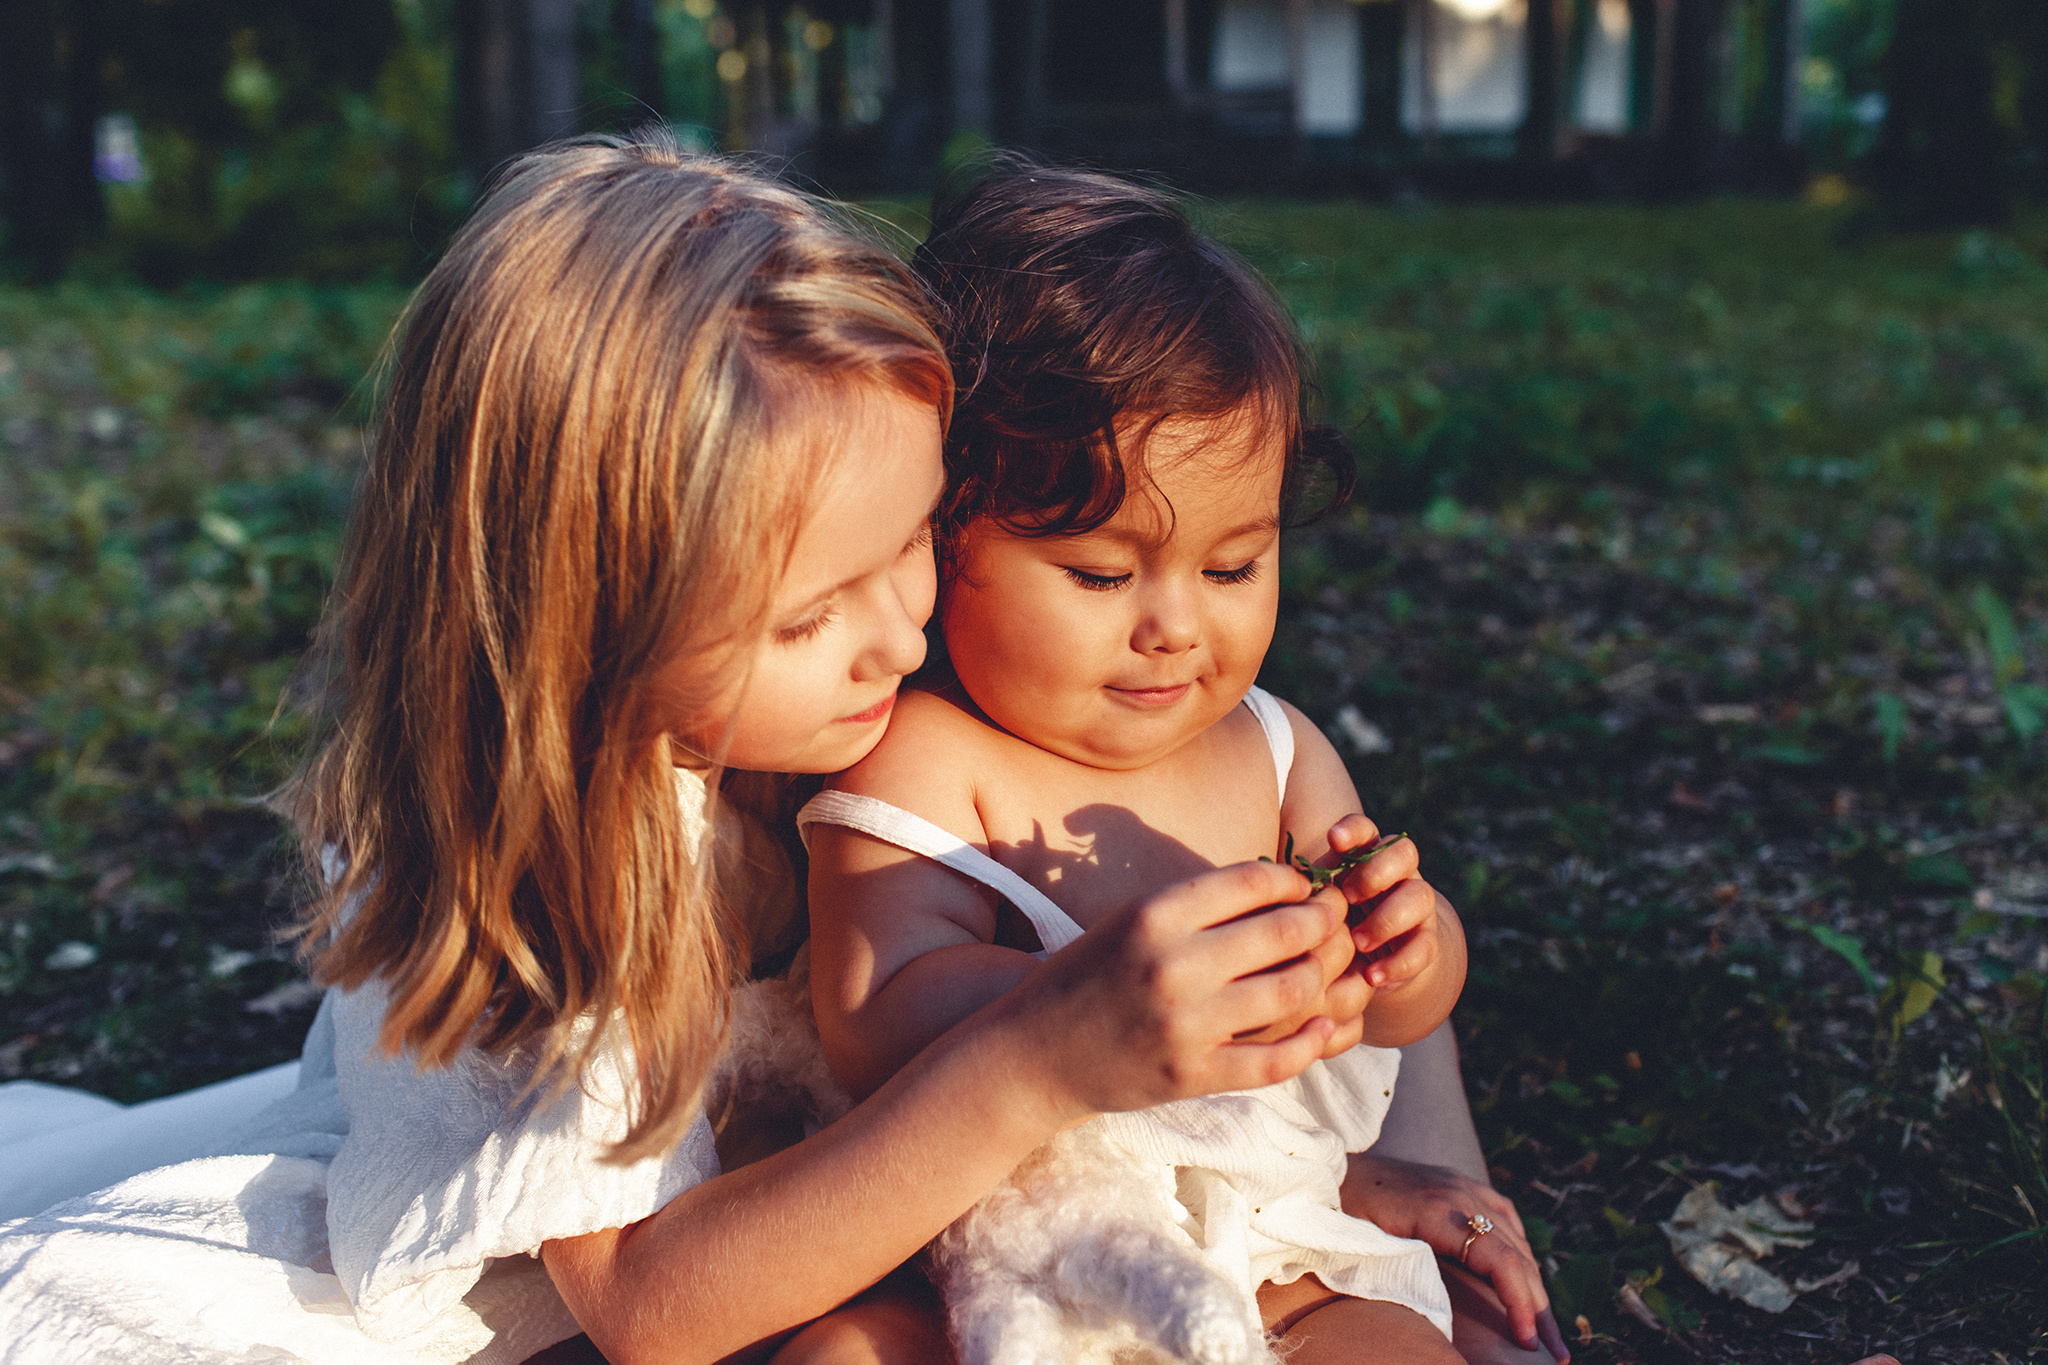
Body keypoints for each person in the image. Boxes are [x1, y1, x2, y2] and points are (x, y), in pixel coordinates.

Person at [0, 134, 1377, 1365]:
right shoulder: (560, 872)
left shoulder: (856, 675)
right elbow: (655, 1314)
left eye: (912, 540)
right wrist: (1037, 1058)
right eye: (808, 614)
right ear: (585, 627)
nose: (900, 633)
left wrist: (1356, 1185)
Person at [800, 161, 1508, 1365]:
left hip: (1271, 1249)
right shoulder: (924, 762)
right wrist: (1082, 1004)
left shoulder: (1277, 751)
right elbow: (867, 1021)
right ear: (943, 529)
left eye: (1231, 568)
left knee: (1392, 1349)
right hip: (979, 1257)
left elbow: (1397, 1016)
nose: (1175, 626)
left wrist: (1402, 942)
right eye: (1100, 574)